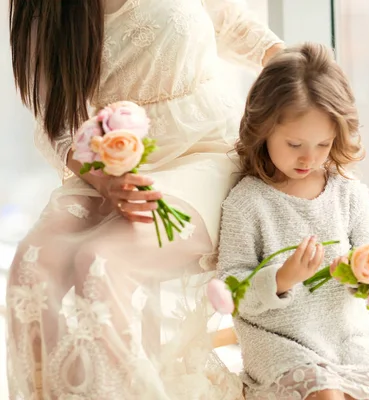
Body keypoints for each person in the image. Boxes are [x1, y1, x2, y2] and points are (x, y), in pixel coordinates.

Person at [6, 0, 283, 398]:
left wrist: (299, 74)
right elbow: (56, 121)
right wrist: (104, 181)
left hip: (205, 152)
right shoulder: (44, 9)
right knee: (32, 267)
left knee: (100, 262)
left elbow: (234, 24)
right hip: (110, 168)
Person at [216, 42, 369, 400]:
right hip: (280, 342)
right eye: (295, 144)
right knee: (324, 395)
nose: (309, 158)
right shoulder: (248, 202)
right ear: (263, 128)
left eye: (323, 144)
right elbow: (230, 288)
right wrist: (283, 278)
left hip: (348, 338)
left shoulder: (349, 193)